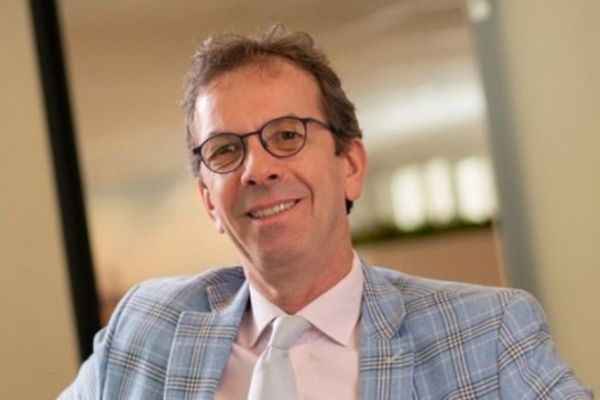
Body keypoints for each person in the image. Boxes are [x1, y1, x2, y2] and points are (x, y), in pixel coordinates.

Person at [60, 25, 592, 399]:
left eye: (287, 136)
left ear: (350, 165)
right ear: (208, 202)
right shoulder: (146, 327)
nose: (257, 169)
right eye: (225, 150)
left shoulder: (487, 335)